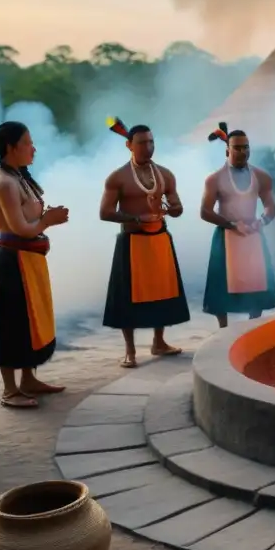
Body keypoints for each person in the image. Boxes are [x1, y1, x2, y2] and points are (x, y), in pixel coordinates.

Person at [0, 118, 70, 409]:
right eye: (28, 143)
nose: (33, 148)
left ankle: (28, 379)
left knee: (32, 321)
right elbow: (19, 228)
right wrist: (47, 221)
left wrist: (44, 219)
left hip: (29, 261)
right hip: (10, 262)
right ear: (11, 147)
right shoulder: (3, 182)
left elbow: (30, 221)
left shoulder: (19, 177)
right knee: (11, 323)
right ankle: (9, 389)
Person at [99, 118, 189, 367]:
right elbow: (105, 212)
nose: (148, 147)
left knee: (162, 292)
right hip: (132, 242)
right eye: (142, 143)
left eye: (151, 142)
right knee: (128, 299)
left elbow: (177, 207)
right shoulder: (117, 177)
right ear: (129, 145)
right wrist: (137, 217)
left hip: (159, 238)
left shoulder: (166, 175)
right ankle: (130, 351)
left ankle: (159, 342)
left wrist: (175, 208)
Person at [200, 125, 275, 327]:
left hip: (253, 235)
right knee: (221, 288)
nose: (243, 152)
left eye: (246, 147)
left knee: (257, 284)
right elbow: (205, 212)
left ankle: (253, 326)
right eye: (238, 148)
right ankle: (223, 330)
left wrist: (262, 221)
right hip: (226, 236)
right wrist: (231, 225)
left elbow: (270, 207)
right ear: (228, 150)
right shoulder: (214, 179)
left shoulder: (261, 176)